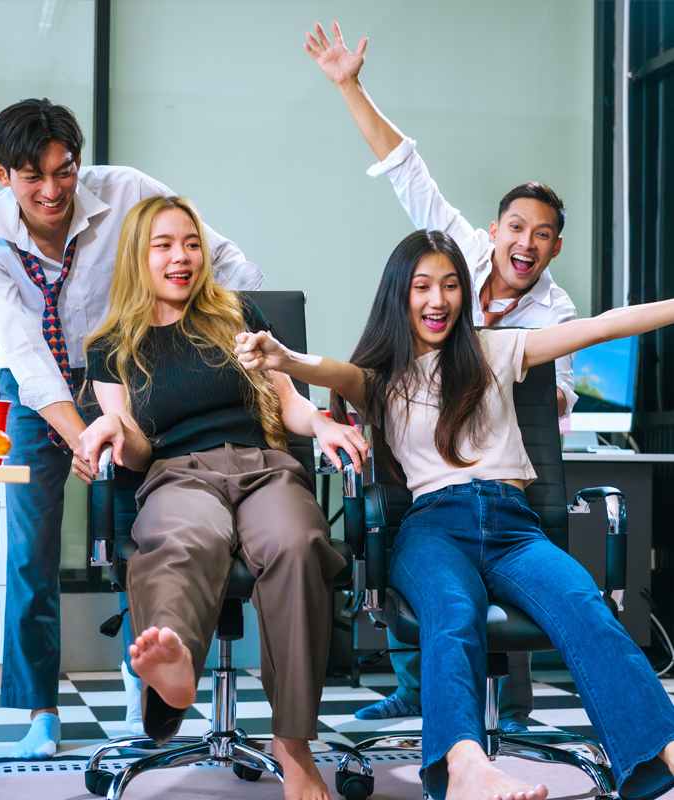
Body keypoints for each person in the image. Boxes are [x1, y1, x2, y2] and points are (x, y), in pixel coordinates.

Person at [235, 229, 674, 800]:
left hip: (515, 527)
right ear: (400, 295)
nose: (437, 300)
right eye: (422, 287)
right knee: (452, 612)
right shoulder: (383, 377)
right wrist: (285, 359)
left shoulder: (497, 349)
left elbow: (600, 326)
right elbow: (328, 372)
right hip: (433, 529)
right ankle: (465, 766)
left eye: (449, 286)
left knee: (583, 606)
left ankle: (661, 748)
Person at [0, 99, 264, 758]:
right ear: (0, 173)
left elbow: (233, 266)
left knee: (141, 531)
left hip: (128, 373)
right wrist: (83, 438)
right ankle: (41, 708)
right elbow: (28, 357)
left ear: (78, 161)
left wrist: (207, 349)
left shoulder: (128, 191)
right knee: (31, 546)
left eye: (63, 171)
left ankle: (142, 682)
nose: (51, 190)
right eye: (30, 175)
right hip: (38, 392)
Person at [305, 20, 580, 727]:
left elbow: (559, 402)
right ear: (494, 231)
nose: (526, 242)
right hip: (417, 446)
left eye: (542, 233)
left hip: (497, 460)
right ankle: (417, 684)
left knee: (506, 543)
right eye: (516, 226)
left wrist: (502, 374)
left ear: (553, 246)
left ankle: (510, 707)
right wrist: (350, 86)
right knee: (408, 529)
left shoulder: (557, 312)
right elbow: (403, 165)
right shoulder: (453, 253)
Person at [77, 195, 368, 800]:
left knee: (297, 543)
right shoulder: (111, 344)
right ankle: (176, 666)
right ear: (138, 255)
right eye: (164, 245)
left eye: (190, 243)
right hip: (177, 473)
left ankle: (292, 746)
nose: (181, 256)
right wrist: (110, 428)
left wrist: (323, 424)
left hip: (263, 467)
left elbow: (287, 401)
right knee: (185, 538)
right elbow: (132, 446)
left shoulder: (237, 313)